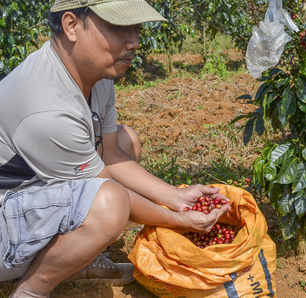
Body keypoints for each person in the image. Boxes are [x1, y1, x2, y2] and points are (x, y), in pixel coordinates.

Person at [0, 0, 231, 296]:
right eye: (120, 27)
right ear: (71, 25)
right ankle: (33, 289)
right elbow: (105, 189)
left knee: (126, 140)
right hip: (5, 228)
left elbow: (111, 154)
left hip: (29, 197)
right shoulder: (45, 109)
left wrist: (177, 197)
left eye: (136, 28)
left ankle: (77, 260)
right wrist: (180, 219)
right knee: (110, 204)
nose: (134, 42)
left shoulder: (95, 75)